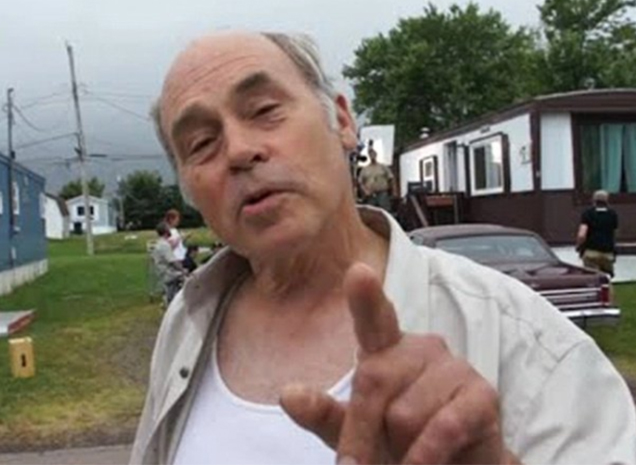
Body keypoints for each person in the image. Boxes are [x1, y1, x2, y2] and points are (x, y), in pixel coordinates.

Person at [131, 31, 636, 464]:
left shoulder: (522, 338)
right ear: (187, 187)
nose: (240, 151)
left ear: (342, 121)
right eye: (201, 144)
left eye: (265, 110)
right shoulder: (187, 325)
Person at [576, 190, 619, 277]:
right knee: (606, 278)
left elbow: (582, 235)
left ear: (593, 200)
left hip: (591, 252)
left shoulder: (588, 214)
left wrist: (579, 246)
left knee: (592, 278)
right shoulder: (612, 214)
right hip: (607, 253)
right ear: (607, 201)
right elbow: (615, 233)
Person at [151, 221, 185, 305]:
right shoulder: (164, 245)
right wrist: (183, 270)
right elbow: (173, 262)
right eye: (169, 228)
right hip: (170, 275)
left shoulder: (160, 244)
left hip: (165, 274)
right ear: (166, 231)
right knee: (173, 299)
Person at [357, 140, 395, 211]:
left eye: (373, 154)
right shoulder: (365, 169)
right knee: (371, 212)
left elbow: (391, 178)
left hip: (382, 194)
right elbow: (360, 182)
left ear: (376, 155)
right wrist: (365, 191)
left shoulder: (382, 167)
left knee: (385, 211)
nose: (372, 156)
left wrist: (392, 192)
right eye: (371, 155)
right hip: (371, 195)